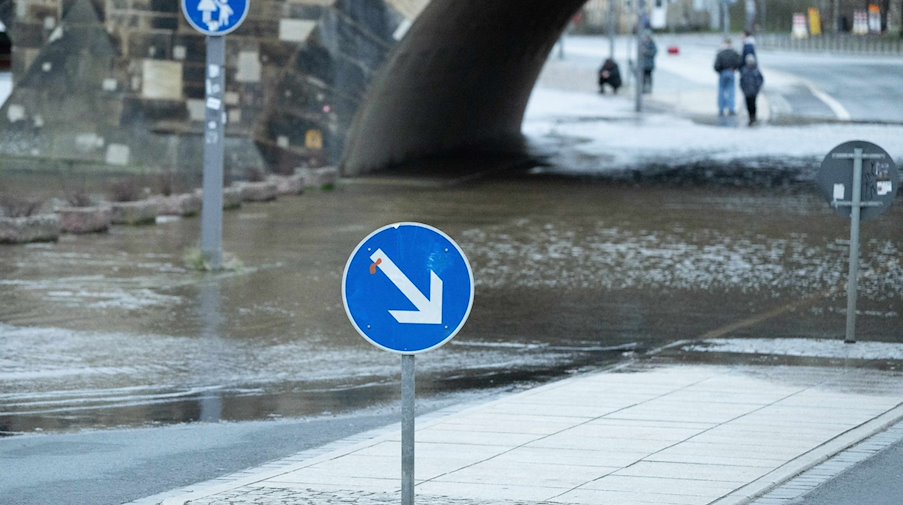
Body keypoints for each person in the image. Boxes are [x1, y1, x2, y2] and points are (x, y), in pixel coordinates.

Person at [713, 37, 742, 116]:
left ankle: (721, 109)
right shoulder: (734, 53)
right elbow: (739, 63)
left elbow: (716, 66)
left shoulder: (720, 53)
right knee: (731, 92)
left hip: (722, 73)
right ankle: (731, 109)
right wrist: (734, 69)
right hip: (731, 72)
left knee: (721, 92)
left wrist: (720, 71)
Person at [739, 53, 764, 126]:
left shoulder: (756, 70)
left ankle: (753, 117)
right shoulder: (744, 70)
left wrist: (757, 88)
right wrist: (743, 88)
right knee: (748, 105)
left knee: (753, 104)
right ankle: (750, 117)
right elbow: (741, 80)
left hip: (754, 92)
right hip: (747, 91)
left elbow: (760, 80)